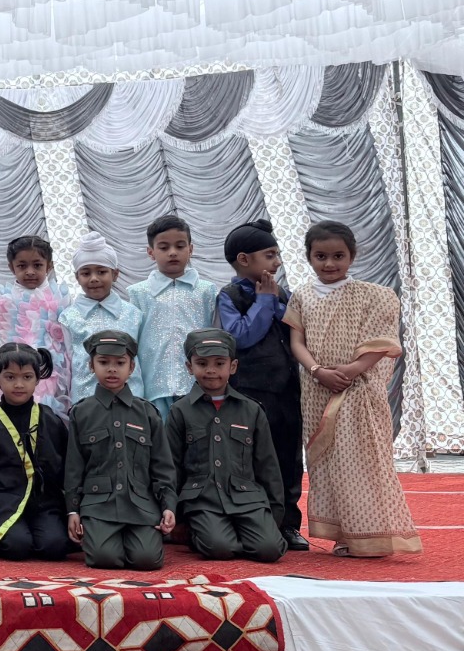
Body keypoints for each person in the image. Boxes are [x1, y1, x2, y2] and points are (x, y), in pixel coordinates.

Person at [285, 221, 420, 557]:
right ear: (309, 257)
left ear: (352, 256)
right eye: (321, 256)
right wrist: (318, 371)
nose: (329, 263)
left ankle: (367, 536)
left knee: (360, 461)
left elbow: (383, 342)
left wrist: (352, 370)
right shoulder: (301, 296)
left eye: (338, 256)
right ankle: (341, 534)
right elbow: (297, 342)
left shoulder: (374, 296)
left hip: (356, 389)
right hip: (317, 390)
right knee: (326, 464)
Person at [218, 219, 309, 551]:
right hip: (250, 394)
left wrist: (273, 300)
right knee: (251, 460)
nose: (277, 262)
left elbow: (297, 330)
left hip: (287, 392)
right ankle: (252, 523)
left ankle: (288, 524)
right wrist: (264, 302)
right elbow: (241, 337)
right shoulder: (229, 296)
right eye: (270, 255)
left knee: (288, 458)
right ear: (244, 259)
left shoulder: (282, 294)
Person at [167, 329, 286, 563]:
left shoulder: (251, 410)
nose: (211, 370)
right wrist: (178, 517)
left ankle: (239, 534)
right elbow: (171, 466)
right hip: (203, 500)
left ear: (233, 366)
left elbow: (267, 466)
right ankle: (203, 533)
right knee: (219, 548)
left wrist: (274, 516)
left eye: (219, 363)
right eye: (202, 363)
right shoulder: (180, 411)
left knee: (270, 549)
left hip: (247, 500)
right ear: (189, 367)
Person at [64, 330, 177, 570]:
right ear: (91, 366)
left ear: (132, 367)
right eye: (104, 362)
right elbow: (74, 466)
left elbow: (162, 466)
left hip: (141, 505)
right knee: (103, 558)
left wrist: (168, 506)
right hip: (98, 505)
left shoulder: (147, 413)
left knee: (147, 560)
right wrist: (73, 511)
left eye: (120, 363)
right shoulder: (81, 413)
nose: (112, 369)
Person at [0, 343, 70, 560]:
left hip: (43, 503)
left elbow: (64, 466)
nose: (19, 384)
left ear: (37, 379)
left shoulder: (50, 420)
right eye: (10, 377)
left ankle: (38, 529)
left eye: (27, 377)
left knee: (54, 546)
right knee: (17, 546)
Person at [128, 215, 220, 419]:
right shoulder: (138, 293)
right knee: (159, 436)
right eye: (164, 247)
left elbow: (215, 336)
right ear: (151, 252)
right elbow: (131, 343)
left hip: (198, 386)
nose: (172, 252)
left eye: (180, 246)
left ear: (191, 249)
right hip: (153, 387)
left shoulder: (206, 291)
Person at [58, 232, 144, 404]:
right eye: (86, 273)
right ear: (77, 277)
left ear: (115, 274)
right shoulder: (68, 317)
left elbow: (142, 357)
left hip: (131, 398)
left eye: (102, 272)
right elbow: (66, 364)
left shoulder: (133, 314)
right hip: (86, 400)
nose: (94, 279)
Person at [0, 236, 71, 414]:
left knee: (48, 414)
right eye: (22, 266)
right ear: (11, 267)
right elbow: (4, 336)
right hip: (15, 368)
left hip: (52, 369)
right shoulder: (4, 299)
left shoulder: (60, 298)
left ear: (49, 266)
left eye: (37, 265)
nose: (30, 272)